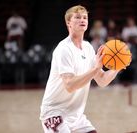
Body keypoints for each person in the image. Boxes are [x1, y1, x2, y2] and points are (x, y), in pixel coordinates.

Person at [40, 5, 121, 133]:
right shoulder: (64, 49)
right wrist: (95, 69)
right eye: (77, 17)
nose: (82, 20)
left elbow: (102, 81)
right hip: (54, 114)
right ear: (68, 23)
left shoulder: (88, 48)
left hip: (77, 117)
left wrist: (118, 67)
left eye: (85, 17)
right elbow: (70, 85)